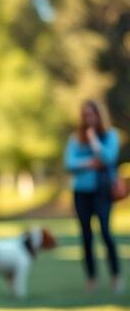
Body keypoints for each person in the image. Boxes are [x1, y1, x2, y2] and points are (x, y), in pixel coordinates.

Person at [64, 99, 123, 293]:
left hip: (102, 191)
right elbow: (69, 163)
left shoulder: (110, 136)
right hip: (81, 192)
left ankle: (115, 276)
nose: (88, 118)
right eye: (85, 115)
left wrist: (94, 141)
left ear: (99, 115)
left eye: (91, 114)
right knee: (86, 236)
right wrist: (90, 162)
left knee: (106, 233)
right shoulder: (75, 139)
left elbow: (108, 158)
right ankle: (91, 278)